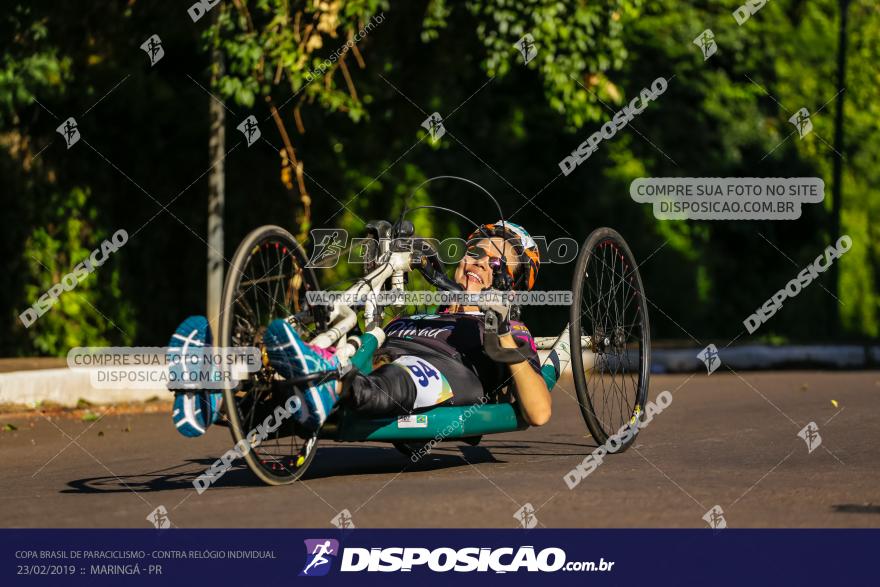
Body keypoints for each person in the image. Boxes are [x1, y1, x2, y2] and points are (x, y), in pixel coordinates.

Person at [167, 221, 551, 437]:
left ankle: (327, 383)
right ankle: (215, 398)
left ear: (511, 283)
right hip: (383, 353)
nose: (480, 263)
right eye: (475, 252)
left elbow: (539, 413)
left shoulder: (510, 328)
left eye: (497, 263)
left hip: (448, 372)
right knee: (348, 347)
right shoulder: (416, 314)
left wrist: (500, 332)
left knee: (398, 377)